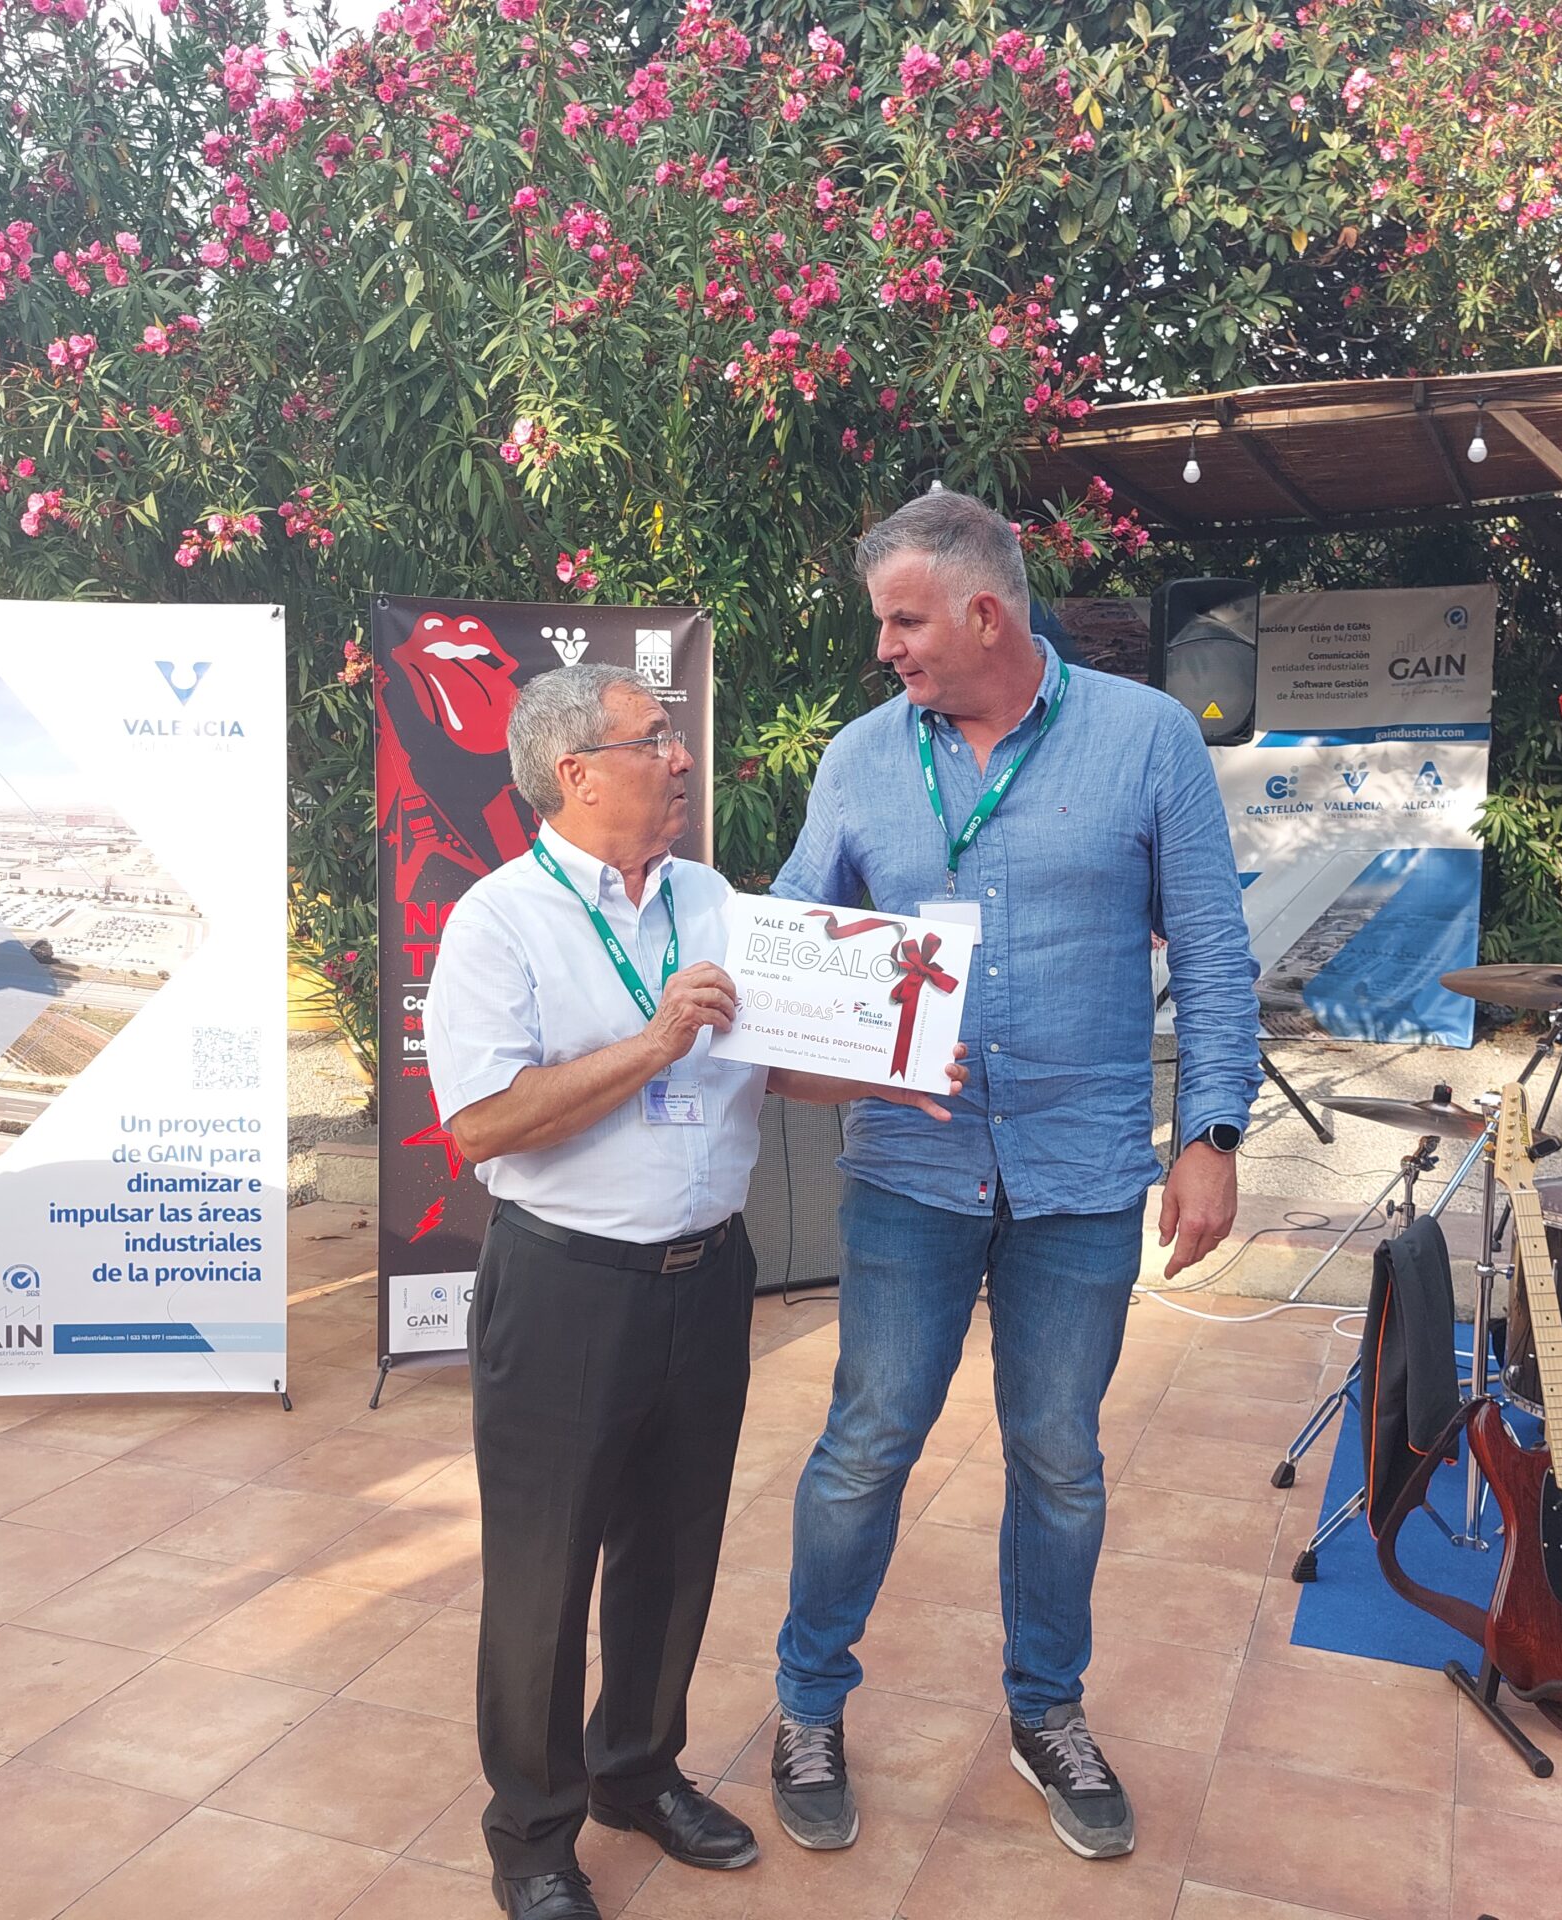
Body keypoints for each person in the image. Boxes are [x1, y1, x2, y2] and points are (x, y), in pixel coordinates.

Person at [764, 491, 1261, 1861]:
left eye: (903, 621)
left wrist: (1211, 1134)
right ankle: (808, 1705)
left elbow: (1213, 950)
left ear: (984, 613)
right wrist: (804, 1015)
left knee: (1059, 1461)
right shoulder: (862, 757)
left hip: (1079, 1175)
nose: (885, 649)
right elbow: (799, 926)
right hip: (908, 1175)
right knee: (866, 1446)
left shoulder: (1146, 739)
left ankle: (1047, 1711)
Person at [423, 663, 959, 1920]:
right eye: (652, 740)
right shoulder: (499, 921)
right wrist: (655, 1042)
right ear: (575, 773)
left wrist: (888, 1062)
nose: (680, 759)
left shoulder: (713, 900)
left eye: (673, 737)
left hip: (708, 1277)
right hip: (565, 1288)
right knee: (544, 1577)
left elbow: (779, 1061)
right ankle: (533, 1838)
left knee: (672, 1551)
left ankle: (636, 1771)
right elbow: (482, 1122)